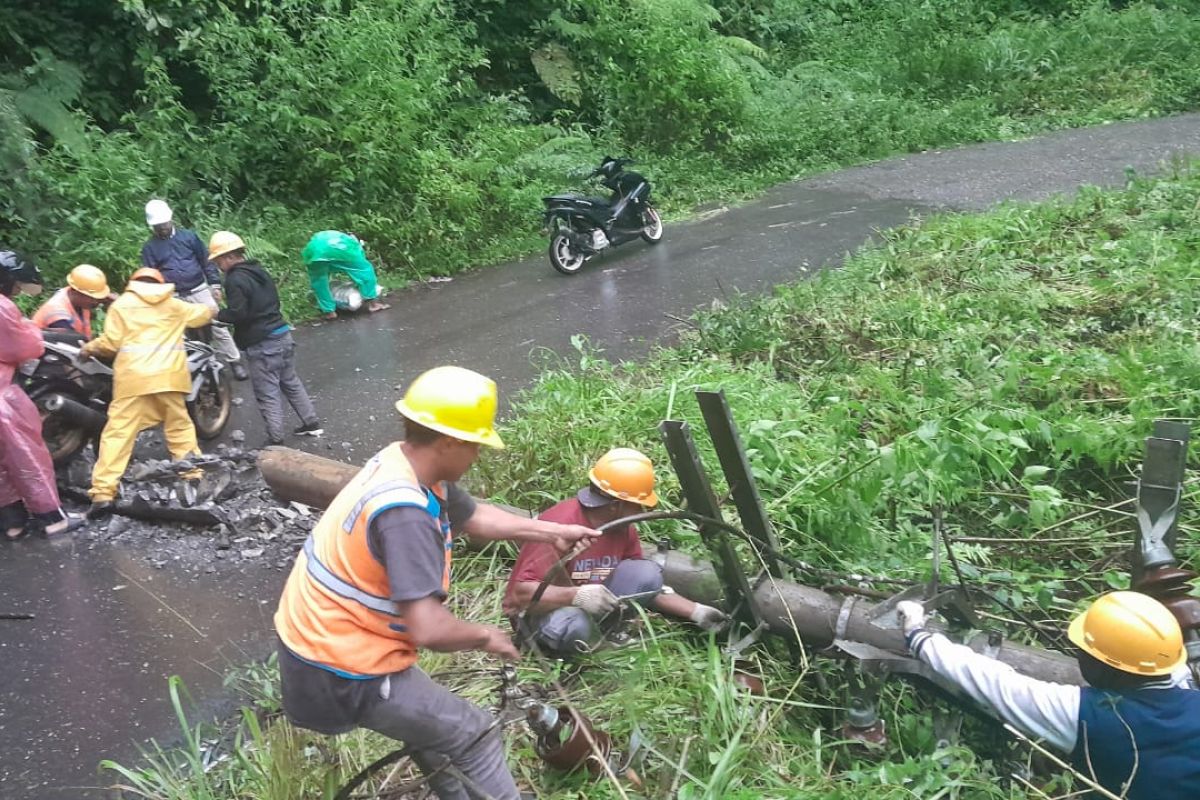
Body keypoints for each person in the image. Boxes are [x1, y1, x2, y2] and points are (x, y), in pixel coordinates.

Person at [274, 366, 598, 800]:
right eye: (476, 445)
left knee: (440, 735)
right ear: (448, 441)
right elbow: (428, 628)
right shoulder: (405, 515)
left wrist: (550, 532)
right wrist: (487, 636)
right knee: (473, 732)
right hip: (339, 668)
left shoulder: (404, 461)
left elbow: (475, 516)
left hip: (325, 645)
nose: (478, 456)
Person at [897, 591, 1200, 799]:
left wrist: (920, 637)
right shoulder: (1191, 696)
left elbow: (1000, 686)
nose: (1079, 654)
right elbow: (1174, 675)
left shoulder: (1086, 716)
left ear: (1109, 666)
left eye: (1084, 650)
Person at [503, 447, 727, 654]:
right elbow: (521, 594)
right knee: (575, 625)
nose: (640, 511)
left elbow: (645, 586)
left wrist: (695, 611)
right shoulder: (560, 526)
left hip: (586, 605)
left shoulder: (622, 529)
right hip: (538, 617)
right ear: (616, 504)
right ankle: (596, 649)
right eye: (637, 504)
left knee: (646, 573)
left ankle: (602, 634)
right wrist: (576, 596)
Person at [82, 268, 213, 518]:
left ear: (133, 284)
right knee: (179, 427)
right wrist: (213, 306)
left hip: (133, 379)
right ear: (159, 284)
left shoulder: (121, 306)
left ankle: (102, 495)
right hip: (170, 377)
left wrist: (88, 348)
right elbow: (202, 315)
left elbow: (110, 344)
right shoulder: (173, 304)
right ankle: (193, 478)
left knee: (118, 433)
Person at [208, 231, 322, 446]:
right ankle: (311, 422)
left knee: (267, 392)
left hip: (263, 343)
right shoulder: (258, 270)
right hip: (282, 334)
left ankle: (276, 441)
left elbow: (239, 313)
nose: (217, 266)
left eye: (218, 261)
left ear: (228, 257)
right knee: (291, 382)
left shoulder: (234, 279)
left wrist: (217, 314)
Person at [0, 250, 85, 538]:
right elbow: (23, 347)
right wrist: (32, 333)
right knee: (27, 455)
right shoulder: (2, 307)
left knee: (1, 463)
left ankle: (12, 524)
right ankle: (53, 519)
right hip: (3, 395)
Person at [140, 200, 247, 380]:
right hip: (172, 295)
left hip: (198, 289)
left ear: (171, 219)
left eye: (164, 223)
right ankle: (200, 369)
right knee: (180, 335)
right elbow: (151, 274)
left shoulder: (188, 237)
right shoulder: (150, 248)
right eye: (158, 225)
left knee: (217, 326)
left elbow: (206, 260)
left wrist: (214, 284)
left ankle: (234, 361)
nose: (162, 228)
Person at [301, 230, 390, 320]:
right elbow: (362, 273)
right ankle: (373, 305)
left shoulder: (335, 236)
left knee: (319, 281)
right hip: (339, 250)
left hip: (314, 251)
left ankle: (329, 312)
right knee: (365, 271)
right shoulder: (352, 244)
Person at [31, 264, 114, 339]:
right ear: (76, 292)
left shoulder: (74, 296)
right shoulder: (59, 316)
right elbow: (70, 344)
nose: (96, 301)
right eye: (92, 297)